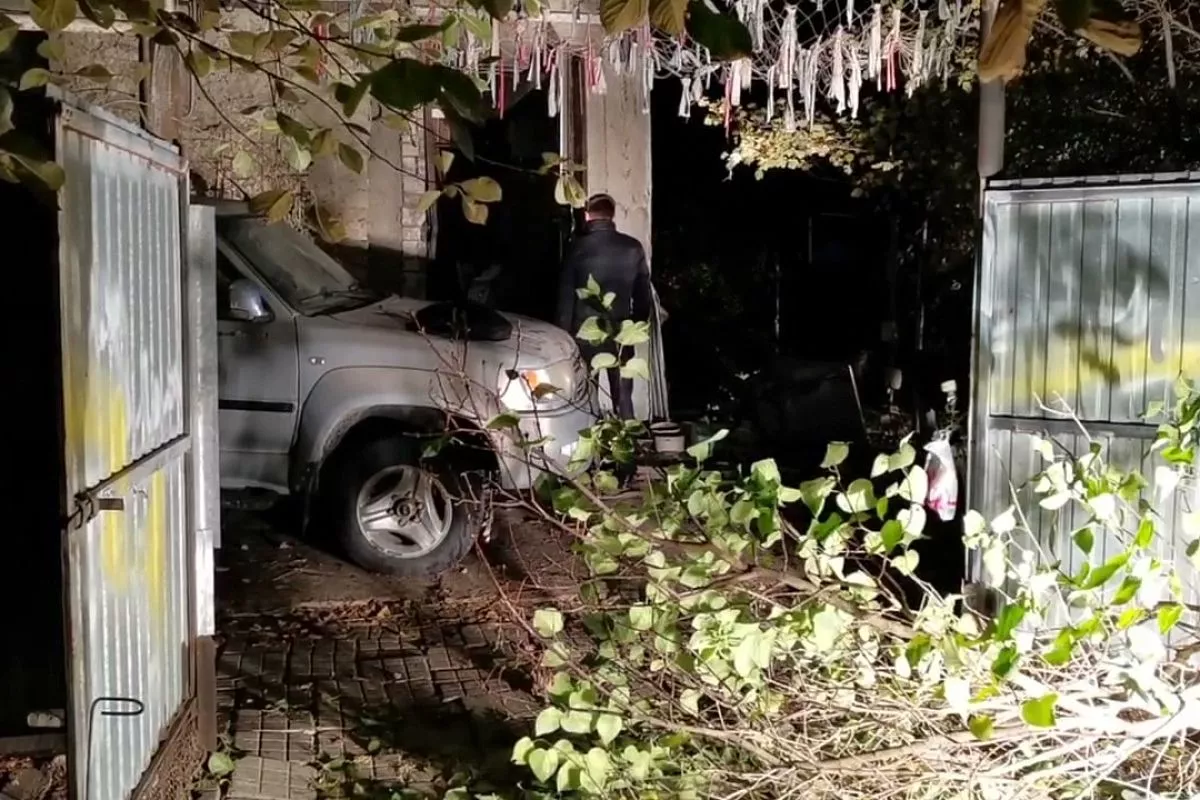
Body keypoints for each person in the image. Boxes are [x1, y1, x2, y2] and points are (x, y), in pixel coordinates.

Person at [556, 193, 653, 422]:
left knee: (587, 396)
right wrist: (636, 327)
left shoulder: (576, 248)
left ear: (587, 215)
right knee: (624, 397)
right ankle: (627, 451)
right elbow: (643, 295)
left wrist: (562, 334)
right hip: (622, 331)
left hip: (585, 333)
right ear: (612, 215)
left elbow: (566, 297)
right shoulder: (633, 248)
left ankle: (593, 451)